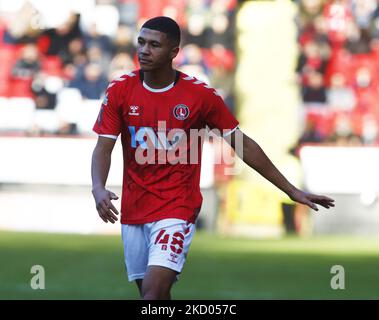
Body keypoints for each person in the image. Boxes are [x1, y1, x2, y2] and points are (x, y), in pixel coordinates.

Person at [91, 16, 335, 300]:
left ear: (173, 52)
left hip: (176, 208)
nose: (144, 50)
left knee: (153, 295)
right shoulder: (120, 90)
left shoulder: (199, 96)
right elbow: (103, 147)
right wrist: (98, 187)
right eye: (141, 42)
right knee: (154, 295)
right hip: (134, 210)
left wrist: (291, 189)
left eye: (154, 45)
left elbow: (242, 144)